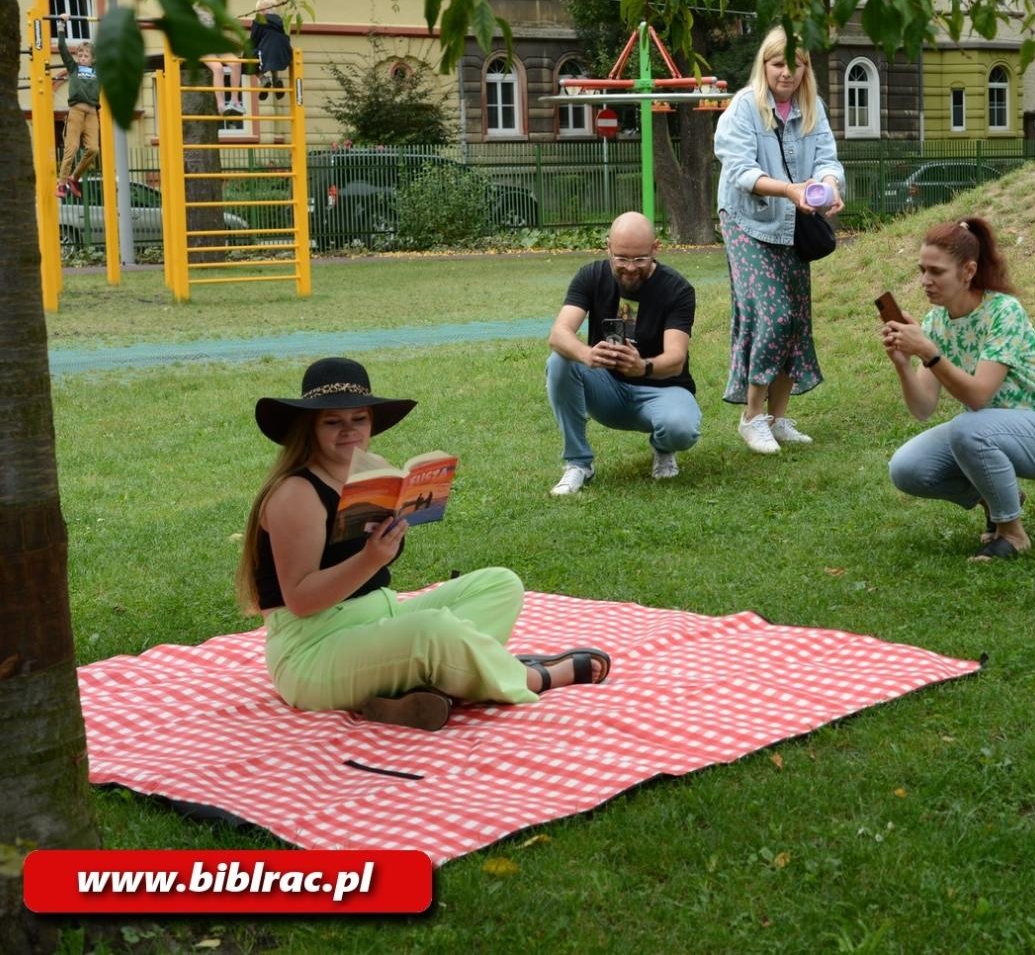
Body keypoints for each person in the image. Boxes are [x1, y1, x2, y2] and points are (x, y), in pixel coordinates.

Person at [236, 357, 610, 731]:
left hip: (376, 622)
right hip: (313, 653)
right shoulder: (296, 493)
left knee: (499, 585)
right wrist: (370, 559)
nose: (349, 431)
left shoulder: (371, 468)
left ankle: (425, 688)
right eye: (333, 421)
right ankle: (531, 677)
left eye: (359, 419)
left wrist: (393, 533)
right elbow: (300, 600)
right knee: (432, 631)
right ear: (310, 427)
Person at [881, 219, 1035, 561]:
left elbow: (979, 396)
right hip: (991, 430)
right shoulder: (935, 322)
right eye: (921, 270)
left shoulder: (1003, 311)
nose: (925, 281)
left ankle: (1012, 532)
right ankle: (1000, 498)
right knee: (907, 467)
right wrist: (904, 364)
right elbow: (923, 408)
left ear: (968, 271)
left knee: (968, 426)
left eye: (936, 271)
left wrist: (930, 353)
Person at [713, 26, 846, 454]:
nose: (787, 72)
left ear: (806, 68)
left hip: (794, 223)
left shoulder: (812, 107)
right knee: (775, 314)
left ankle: (777, 417)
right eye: (777, 64)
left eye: (796, 64)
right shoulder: (743, 108)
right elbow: (740, 171)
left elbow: (827, 157)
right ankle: (752, 417)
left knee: (796, 317)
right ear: (764, 66)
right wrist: (789, 190)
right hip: (747, 221)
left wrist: (829, 186)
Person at [545, 211, 701, 494]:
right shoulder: (591, 276)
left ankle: (663, 448)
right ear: (608, 248)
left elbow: (676, 359)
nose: (630, 267)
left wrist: (643, 366)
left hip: (661, 389)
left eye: (640, 258)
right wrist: (586, 355)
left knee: (681, 429)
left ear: (655, 248)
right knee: (560, 361)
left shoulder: (677, 289)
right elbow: (558, 334)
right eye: (621, 258)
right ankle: (578, 464)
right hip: (608, 391)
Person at [54, 14, 100, 199]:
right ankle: (62, 183)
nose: (81, 57)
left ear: (92, 58)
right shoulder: (73, 68)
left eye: (85, 55)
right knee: (71, 148)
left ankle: (74, 178)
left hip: (92, 113)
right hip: (76, 111)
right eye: (79, 54)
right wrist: (61, 24)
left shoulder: (99, 71)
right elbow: (62, 47)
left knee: (93, 149)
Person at [249, 0, 294, 101]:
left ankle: (263, 79)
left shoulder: (259, 20)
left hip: (267, 52)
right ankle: (275, 78)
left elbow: (253, 41)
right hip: (285, 54)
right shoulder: (281, 21)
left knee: (248, 55)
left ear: (262, 10)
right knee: (272, 52)